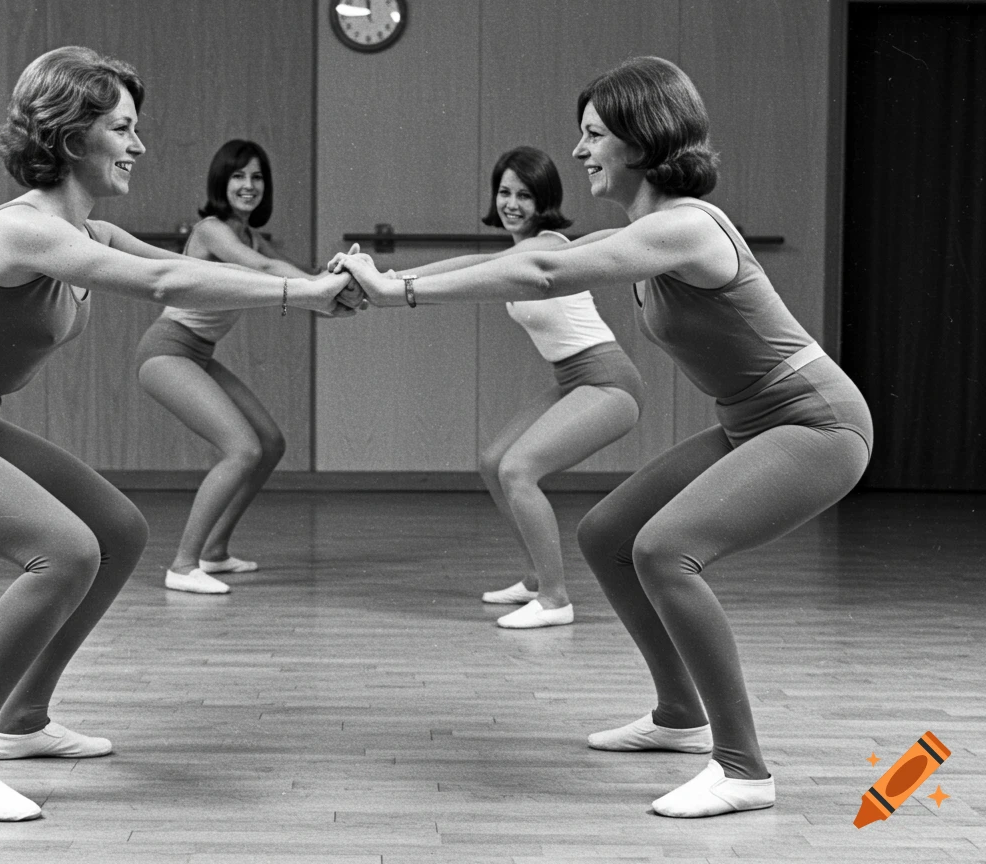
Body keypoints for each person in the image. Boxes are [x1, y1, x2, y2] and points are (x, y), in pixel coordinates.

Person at [333, 56, 872, 817]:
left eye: (593, 135)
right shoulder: (643, 230)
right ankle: (680, 715)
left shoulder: (683, 227)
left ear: (640, 139)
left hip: (817, 422)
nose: (581, 152)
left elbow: (546, 273)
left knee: (663, 550)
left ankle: (745, 768)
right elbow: (531, 259)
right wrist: (392, 282)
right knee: (609, 532)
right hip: (751, 421)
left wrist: (404, 292)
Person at [0, 47, 354, 822]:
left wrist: (313, 292)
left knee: (117, 529)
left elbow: (181, 270)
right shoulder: (24, 229)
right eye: (124, 128)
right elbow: (162, 284)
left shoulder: (93, 229)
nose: (140, 145)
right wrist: (301, 292)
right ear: (73, 136)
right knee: (65, 551)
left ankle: (22, 721)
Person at [397, 146, 644, 627]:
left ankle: (555, 599)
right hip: (573, 380)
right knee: (494, 462)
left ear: (543, 201)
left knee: (518, 470)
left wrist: (395, 281)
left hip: (610, 384)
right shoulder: (518, 252)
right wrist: (389, 278)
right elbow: (476, 264)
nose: (511, 203)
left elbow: (468, 266)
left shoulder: (546, 245)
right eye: (505, 192)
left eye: (524, 195)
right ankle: (535, 576)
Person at [136, 140, 319, 595]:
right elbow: (263, 267)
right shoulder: (212, 230)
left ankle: (214, 552)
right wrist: (321, 286)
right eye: (239, 176)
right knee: (242, 449)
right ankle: (182, 565)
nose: (249, 186)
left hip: (198, 352)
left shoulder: (251, 237)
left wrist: (331, 285)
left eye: (257, 177)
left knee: (270, 443)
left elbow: (274, 269)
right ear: (222, 181)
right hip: (167, 351)